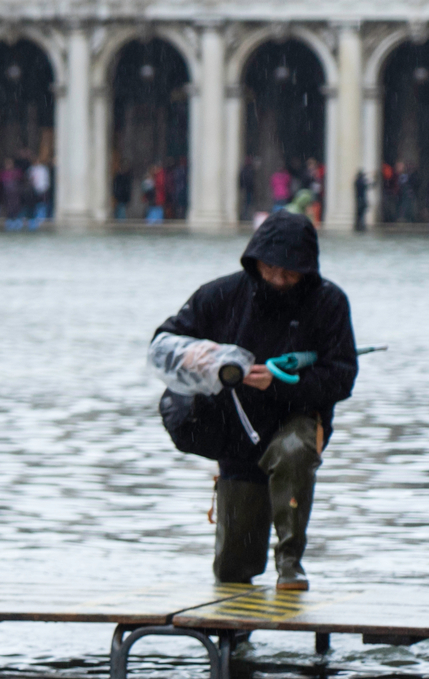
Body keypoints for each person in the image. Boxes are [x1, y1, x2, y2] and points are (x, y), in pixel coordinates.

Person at [151, 212, 357, 591]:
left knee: (294, 451)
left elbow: (342, 377)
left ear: (307, 270)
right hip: (234, 427)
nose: (278, 280)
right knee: (233, 567)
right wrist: (196, 354)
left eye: (290, 273)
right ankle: (236, 637)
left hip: (297, 416)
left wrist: (277, 385)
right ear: (255, 261)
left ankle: (291, 561)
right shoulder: (220, 295)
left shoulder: (329, 303)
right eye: (270, 268)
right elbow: (165, 341)